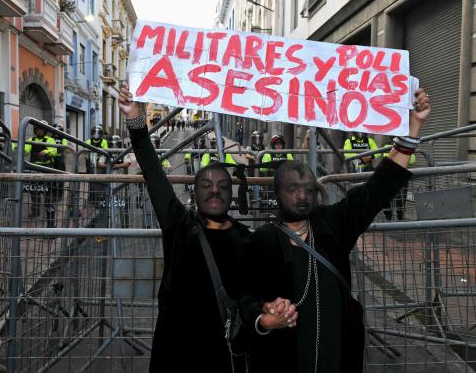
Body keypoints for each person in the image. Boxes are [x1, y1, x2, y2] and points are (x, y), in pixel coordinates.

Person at [241, 89, 431, 372]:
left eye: (308, 188)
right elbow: (244, 299)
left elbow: (380, 187)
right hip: (283, 358)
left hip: (339, 355)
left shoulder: (333, 223)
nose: (303, 196)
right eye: (293, 189)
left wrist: (413, 126)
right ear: (278, 194)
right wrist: (265, 317)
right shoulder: (262, 240)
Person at [119, 84, 296, 373]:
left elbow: (254, 298)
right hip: (175, 353)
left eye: (223, 186)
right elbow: (150, 166)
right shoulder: (178, 224)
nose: (214, 191)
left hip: (224, 356)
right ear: (194, 193)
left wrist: (269, 310)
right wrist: (135, 118)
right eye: (206, 185)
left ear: (231, 194)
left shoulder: (247, 240)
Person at [23, 121, 57, 220]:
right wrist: (20, 149)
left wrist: (46, 151)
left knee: (48, 190)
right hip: (34, 168)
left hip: (47, 169)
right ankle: (35, 210)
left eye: (42, 129)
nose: (40, 131)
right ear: (35, 130)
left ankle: (48, 209)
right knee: (34, 191)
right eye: (38, 129)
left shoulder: (49, 140)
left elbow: (54, 151)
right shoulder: (31, 139)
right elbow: (26, 149)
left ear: (45, 130)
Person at [382, 139, 416, 221]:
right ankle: (388, 216)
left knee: (401, 197)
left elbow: (413, 160)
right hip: (391, 175)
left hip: (402, 175)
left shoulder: (407, 145)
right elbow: (388, 159)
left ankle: (400, 217)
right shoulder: (387, 146)